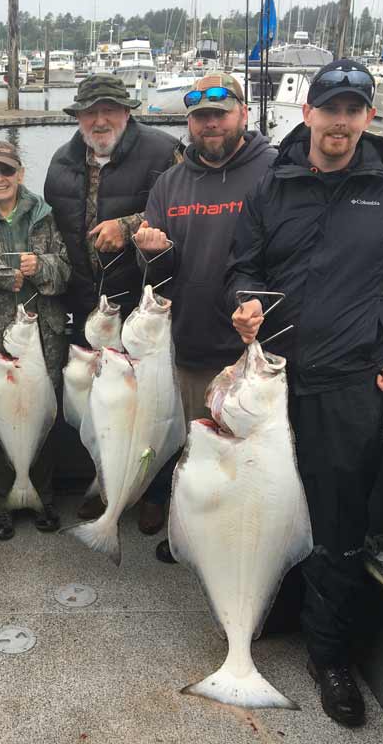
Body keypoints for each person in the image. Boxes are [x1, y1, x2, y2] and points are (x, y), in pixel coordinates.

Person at [228, 60, 383, 727]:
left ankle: (329, 655)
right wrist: (242, 301)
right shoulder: (272, 185)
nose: (340, 121)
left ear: (369, 117)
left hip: (349, 388)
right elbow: (244, 266)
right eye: (330, 108)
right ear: (308, 113)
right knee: (262, 505)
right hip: (270, 383)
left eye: (353, 109)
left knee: (337, 527)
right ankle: (267, 612)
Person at [132, 73, 276, 563]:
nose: (210, 125)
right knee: (197, 455)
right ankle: (193, 537)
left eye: (219, 114)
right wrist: (153, 251)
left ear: (243, 114)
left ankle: (241, 548)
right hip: (191, 348)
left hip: (256, 354)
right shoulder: (170, 184)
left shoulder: (274, 171)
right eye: (200, 117)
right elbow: (156, 272)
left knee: (249, 460)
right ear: (189, 123)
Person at [44, 73, 178, 532]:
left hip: (147, 307)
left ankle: (154, 492)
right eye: (89, 111)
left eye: (109, 110)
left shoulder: (164, 152)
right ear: (78, 116)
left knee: (152, 407)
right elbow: (55, 238)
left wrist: (129, 223)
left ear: (127, 112)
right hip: (89, 309)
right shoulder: (61, 163)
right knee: (96, 407)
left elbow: (184, 211)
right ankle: (101, 483)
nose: (100, 120)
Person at [0, 141, 71, 540]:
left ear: (21, 173)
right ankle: (2, 502)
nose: (0, 179)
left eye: (7, 171)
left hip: (43, 341)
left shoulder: (45, 216)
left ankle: (44, 496)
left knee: (42, 420)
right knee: (0, 426)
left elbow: (64, 273)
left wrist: (40, 267)